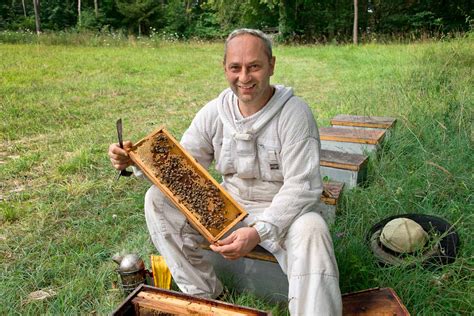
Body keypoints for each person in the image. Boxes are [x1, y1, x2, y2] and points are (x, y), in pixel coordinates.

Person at [108, 28, 342, 315]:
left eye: (254, 66)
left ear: (271, 65)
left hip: (286, 214)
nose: (244, 78)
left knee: (313, 229)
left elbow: (302, 187)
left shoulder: (295, 115)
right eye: (235, 68)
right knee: (157, 199)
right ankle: (207, 297)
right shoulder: (214, 113)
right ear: (225, 68)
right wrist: (134, 162)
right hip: (229, 210)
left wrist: (258, 232)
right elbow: (180, 166)